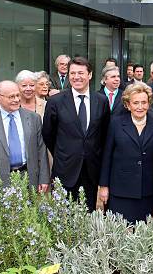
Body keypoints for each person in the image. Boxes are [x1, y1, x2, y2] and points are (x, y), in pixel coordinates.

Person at [42, 57, 110, 211]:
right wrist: (64, 152)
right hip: (65, 169)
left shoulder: (101, 101)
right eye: (72, 73)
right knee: (62, 218)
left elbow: (104, 134)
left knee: (88, 214)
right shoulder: (56, 101)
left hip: (91, 172)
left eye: (81, 73)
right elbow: (48, 134)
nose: (76, 77)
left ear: (90, 75)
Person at [99, 83, 153, 223]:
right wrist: (103, 186)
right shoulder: (116, 124)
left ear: (149, 103)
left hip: (146, 190)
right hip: (120, 190)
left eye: (144, 102)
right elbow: (107, 156)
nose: (140, 107)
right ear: (127, 104)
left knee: (142, 234)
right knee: (117, 231)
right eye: (135, 102)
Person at [0, 81, 50, 191]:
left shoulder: (34, 118)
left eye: (17, 95)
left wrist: (44, 178)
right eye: (11, 97)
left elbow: (41, 150)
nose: (16, 100)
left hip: (28, 178)